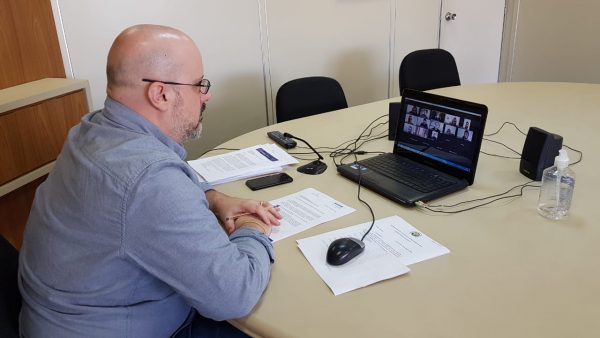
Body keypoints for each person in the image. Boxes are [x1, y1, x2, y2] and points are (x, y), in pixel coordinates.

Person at [18, 24, 281, 338]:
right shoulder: (148, 179)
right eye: (199, 84)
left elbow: (135, 192)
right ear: (161, 94)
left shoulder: (92, 131)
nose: (206, 94)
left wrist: (213, 198)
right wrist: (253, 226)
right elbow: (234, 295)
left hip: (58, 316)